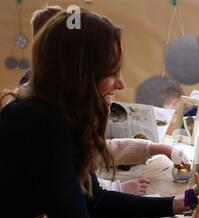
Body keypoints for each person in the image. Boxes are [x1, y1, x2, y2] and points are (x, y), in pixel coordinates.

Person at [0, 10, 199, 218]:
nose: (122, 83)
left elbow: (95, 201)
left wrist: (179, 203)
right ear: (79, 73)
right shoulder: (42, 124)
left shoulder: (58, 114)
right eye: (112, 72)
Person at [18, 5, 189, 196]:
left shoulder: (54, 107)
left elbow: (94, 151)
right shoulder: (43, 120)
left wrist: (156, 148)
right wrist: (116, 188)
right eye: (110, 70)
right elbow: (80, 205)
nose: (121, 84)